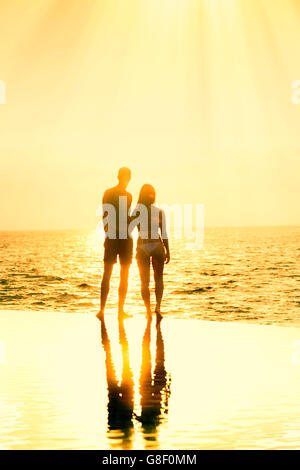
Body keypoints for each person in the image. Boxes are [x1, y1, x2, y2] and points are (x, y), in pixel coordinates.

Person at [97, 167, 133, 320]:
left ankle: (104, 309)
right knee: (120, 274)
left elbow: (106, 214)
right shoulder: (126, 195)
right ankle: (117, 310)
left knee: (109, 273)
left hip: (114, 236)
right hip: (122, 237)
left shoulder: (109, 193)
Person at [132, 184, 170, 321]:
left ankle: (148, 310)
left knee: (144, 282)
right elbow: (164, 233)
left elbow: (132, 229)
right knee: (158, 278)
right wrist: (168, 250)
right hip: (157, 244)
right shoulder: (160, 212)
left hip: (142, 246)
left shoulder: (136, 211)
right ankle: (158, 307)